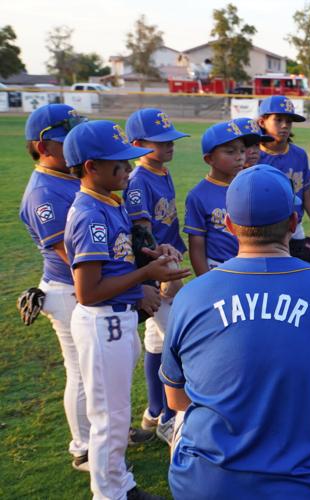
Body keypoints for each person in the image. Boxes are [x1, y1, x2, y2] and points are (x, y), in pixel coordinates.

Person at [160, 165, 310, 499]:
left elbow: (176, 398)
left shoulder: (193, 295)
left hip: (207, 484)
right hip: (304, 482)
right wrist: (295, 408)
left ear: (231, 226)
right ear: (293, 225)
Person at [63, 120, 189, 500]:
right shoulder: (90, 213)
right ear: (91, 168)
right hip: (102, 321)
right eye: (119, 165)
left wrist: (150, 255)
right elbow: (87, 291)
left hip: (116, 320)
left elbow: (118, 258)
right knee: (110, 419)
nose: (129, 170)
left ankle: (119, 483)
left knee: (115, 416)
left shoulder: (109, 201)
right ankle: (110, 492)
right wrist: (144, 276)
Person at [19, 103, 91, 471]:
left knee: (92, 370)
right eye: (67, 142)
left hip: (83, 286)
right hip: (69, 289)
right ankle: (83, 448)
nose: (76, 148)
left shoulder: (67, 177)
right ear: (43, 147)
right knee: (79, 370)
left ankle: (99, 432)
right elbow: (72, 254)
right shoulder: (44, 191)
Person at [123, 108, 190, 444]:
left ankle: (153, 412)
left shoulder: (161, 172)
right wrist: (166, 274)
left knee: (157, 340)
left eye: (171, 140)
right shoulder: (138, 181)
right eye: (160, 142)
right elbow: (144, 234)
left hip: (165, 264)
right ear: (137, 144)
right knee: (176, 340)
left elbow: (169, 224)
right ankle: (166, 415)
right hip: (153, 269)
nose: (169, 147)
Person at [257, 95, 310, 246]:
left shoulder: (299, 155)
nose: (284, 125)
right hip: (264, 228)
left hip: (295, 229)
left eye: (288, 121)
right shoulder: (254, 156)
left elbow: (306, 195)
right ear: (262, 122)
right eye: (278, 119)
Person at [184, 121, 246, 276]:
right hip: (219, 269)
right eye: (230, 152)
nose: (239, 157)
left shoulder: (248, 186)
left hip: (249, 265)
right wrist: (205, 283)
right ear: (209, 159)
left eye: (242, 150)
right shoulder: (198, 196)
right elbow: (197, 247)